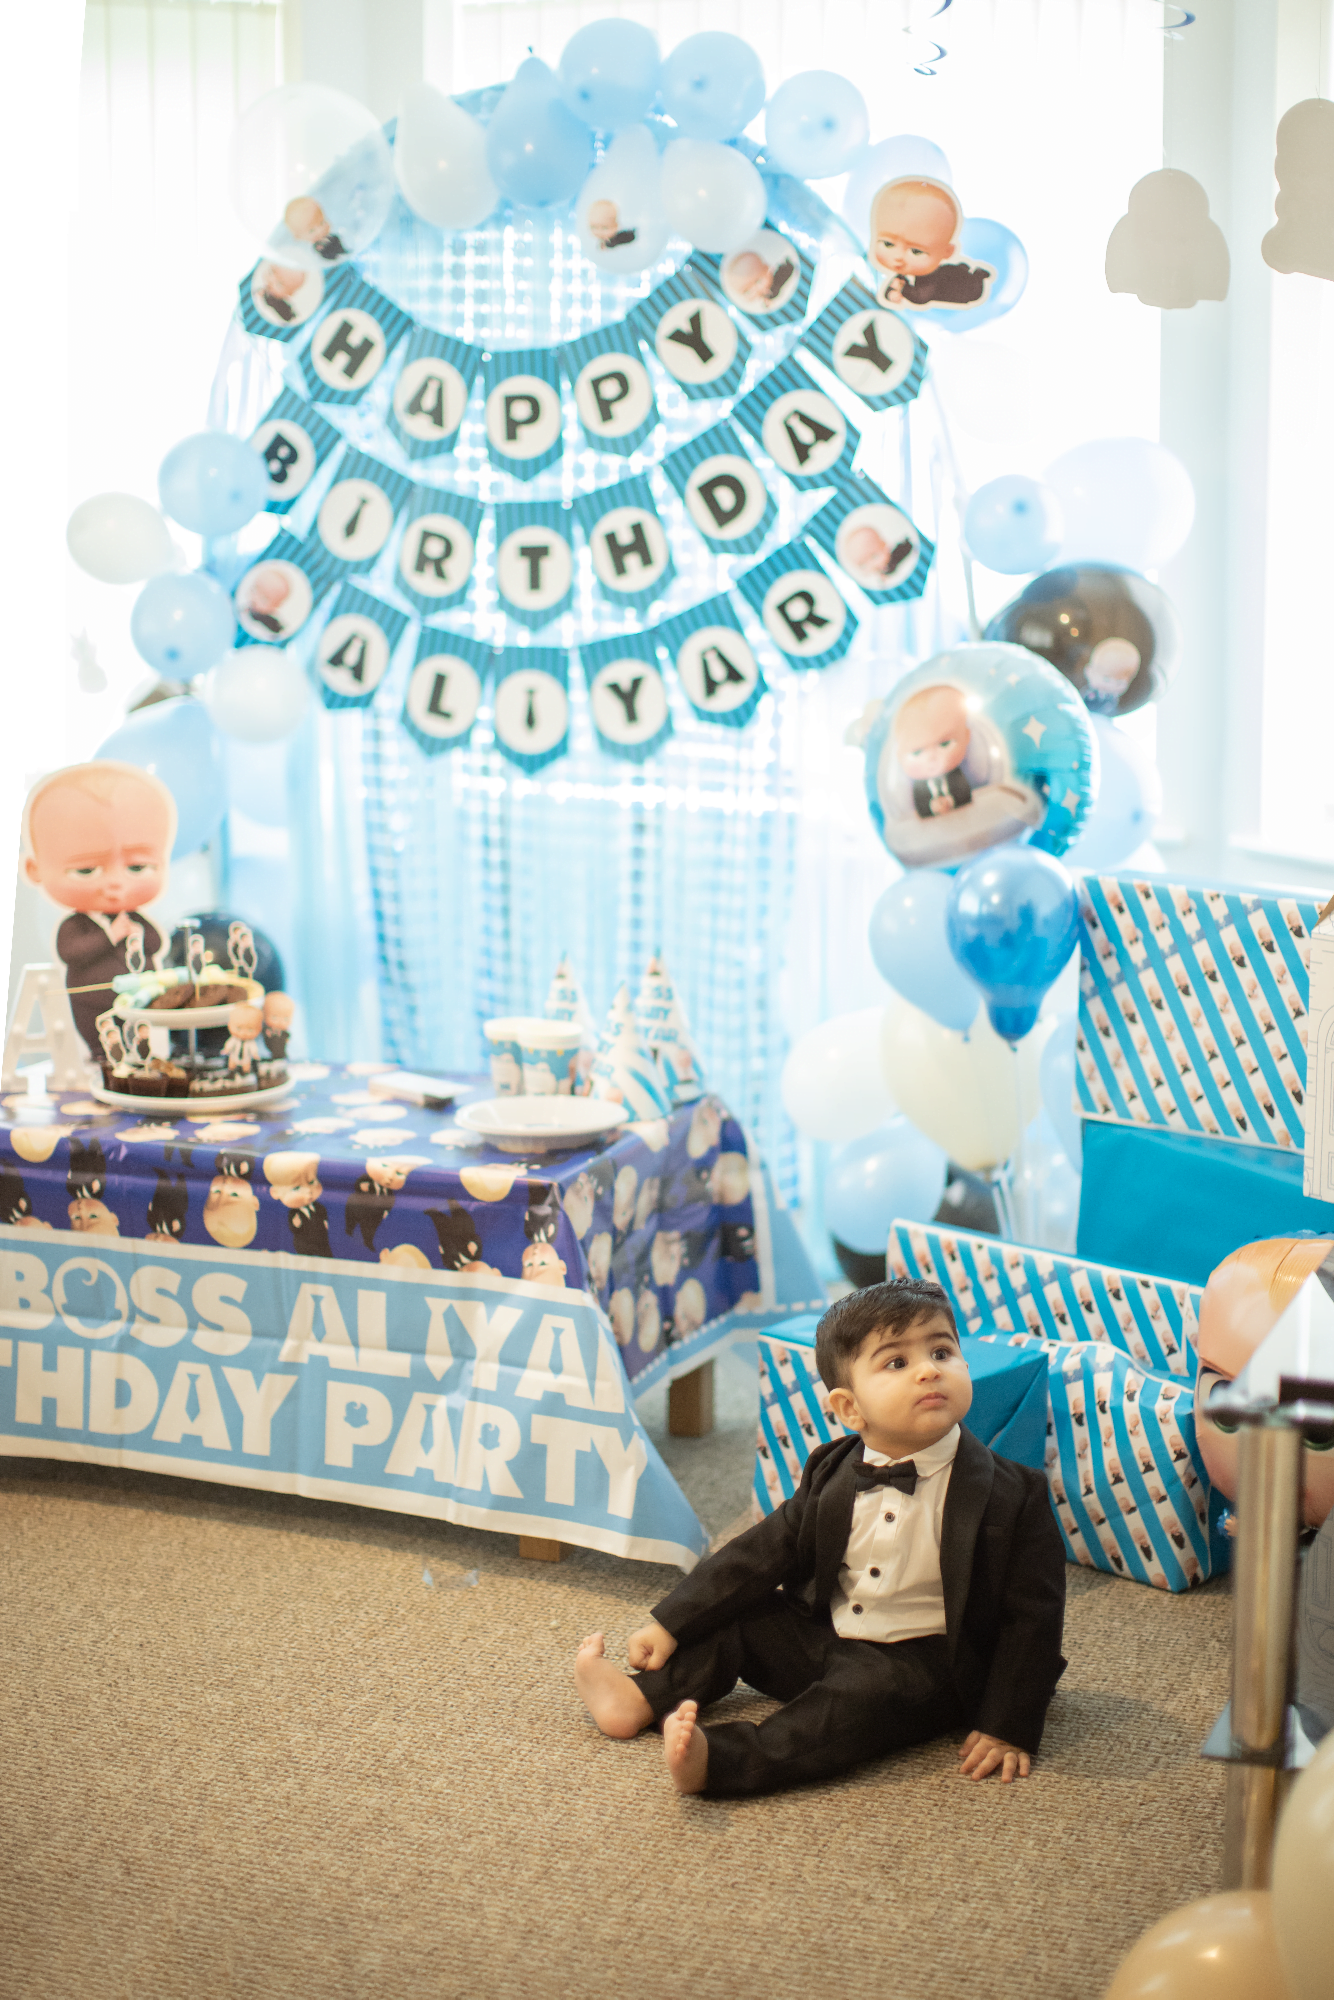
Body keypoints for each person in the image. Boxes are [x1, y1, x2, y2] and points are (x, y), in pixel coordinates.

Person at [573, 1278, 1066, 1798]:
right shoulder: (832, 1468)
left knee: (839, 1713)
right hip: (825, 1629)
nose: (928, 1370)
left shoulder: (1015, 1493)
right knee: (737, 1616)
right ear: (850, 1408)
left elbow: (1033, 1617)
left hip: (921, 1665)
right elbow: (758, 1553)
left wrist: (1009, 1724)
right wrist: (670, 1621)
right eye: (897, 1362)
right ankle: (639, 1697)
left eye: (942, 1352)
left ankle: (718, 1762)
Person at [23, 762, 174, 1062]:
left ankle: (141, 1054)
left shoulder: (134, 919)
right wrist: (110, 936)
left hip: (141, 1000)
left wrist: (138, 934)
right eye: (86, 870)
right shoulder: (75, 925)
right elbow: (71, 952)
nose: (116, 883)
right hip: (92, 1002)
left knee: (142, 1042)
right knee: (103, 1044)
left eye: (137, 867)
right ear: (34, 870)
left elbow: (156, 944)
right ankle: (101, 1054)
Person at [869, 177, 993, 310]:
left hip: (969, 290)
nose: (898, 256)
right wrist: (890, 293)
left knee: (957, 278)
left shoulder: (930, 280)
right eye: (888, 244)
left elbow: (920, 297)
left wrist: (902, 289)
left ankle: (977, 275)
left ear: (947, 252)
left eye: (916, 251)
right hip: (955, 275)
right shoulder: (911, 268)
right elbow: (896, 282)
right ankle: (973, 273)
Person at [893, 684, 974, 818]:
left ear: (966, 737)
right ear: (899, 756)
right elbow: (921, 807)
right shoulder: (919, 786)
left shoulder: (956, 776)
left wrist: (950, 801)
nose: (932, 757)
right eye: (917, 752)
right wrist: (932, 807)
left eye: (944, 744)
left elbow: (965, 796)